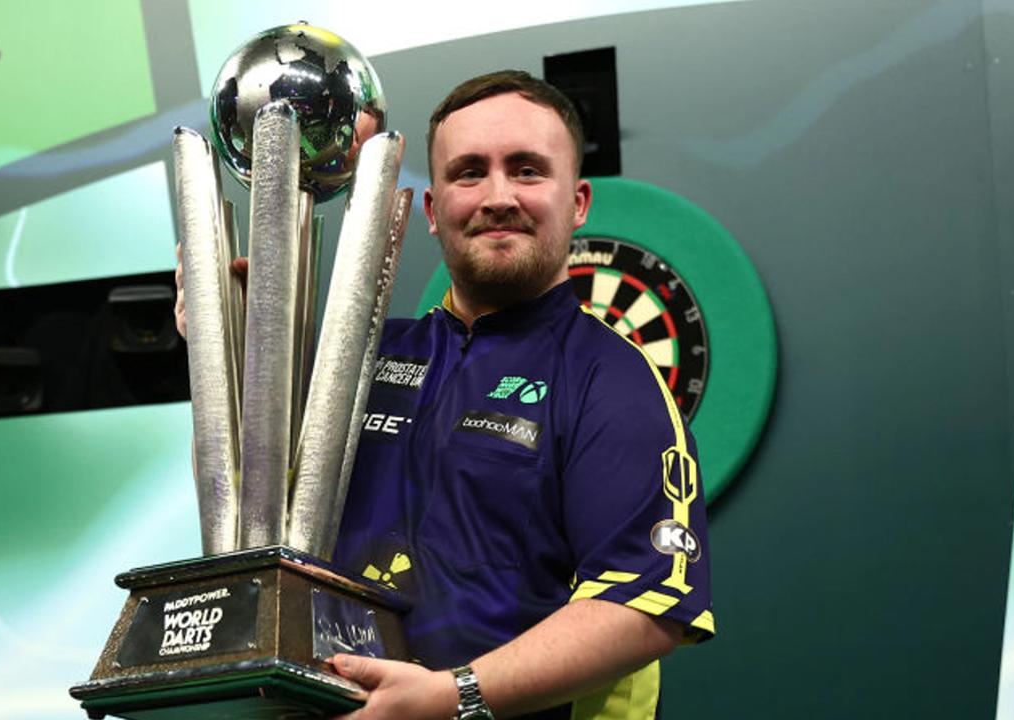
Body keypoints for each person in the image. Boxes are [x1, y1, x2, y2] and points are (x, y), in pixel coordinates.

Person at [177, 70, 713, 720]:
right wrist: (229, 343)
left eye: (526, 170)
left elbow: (646, 607)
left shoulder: (612, 380)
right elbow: (260, 519)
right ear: (432, 211)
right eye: (468, 173)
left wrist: (451, 697)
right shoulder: (362, 364)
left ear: (577, 203)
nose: (497, 196)